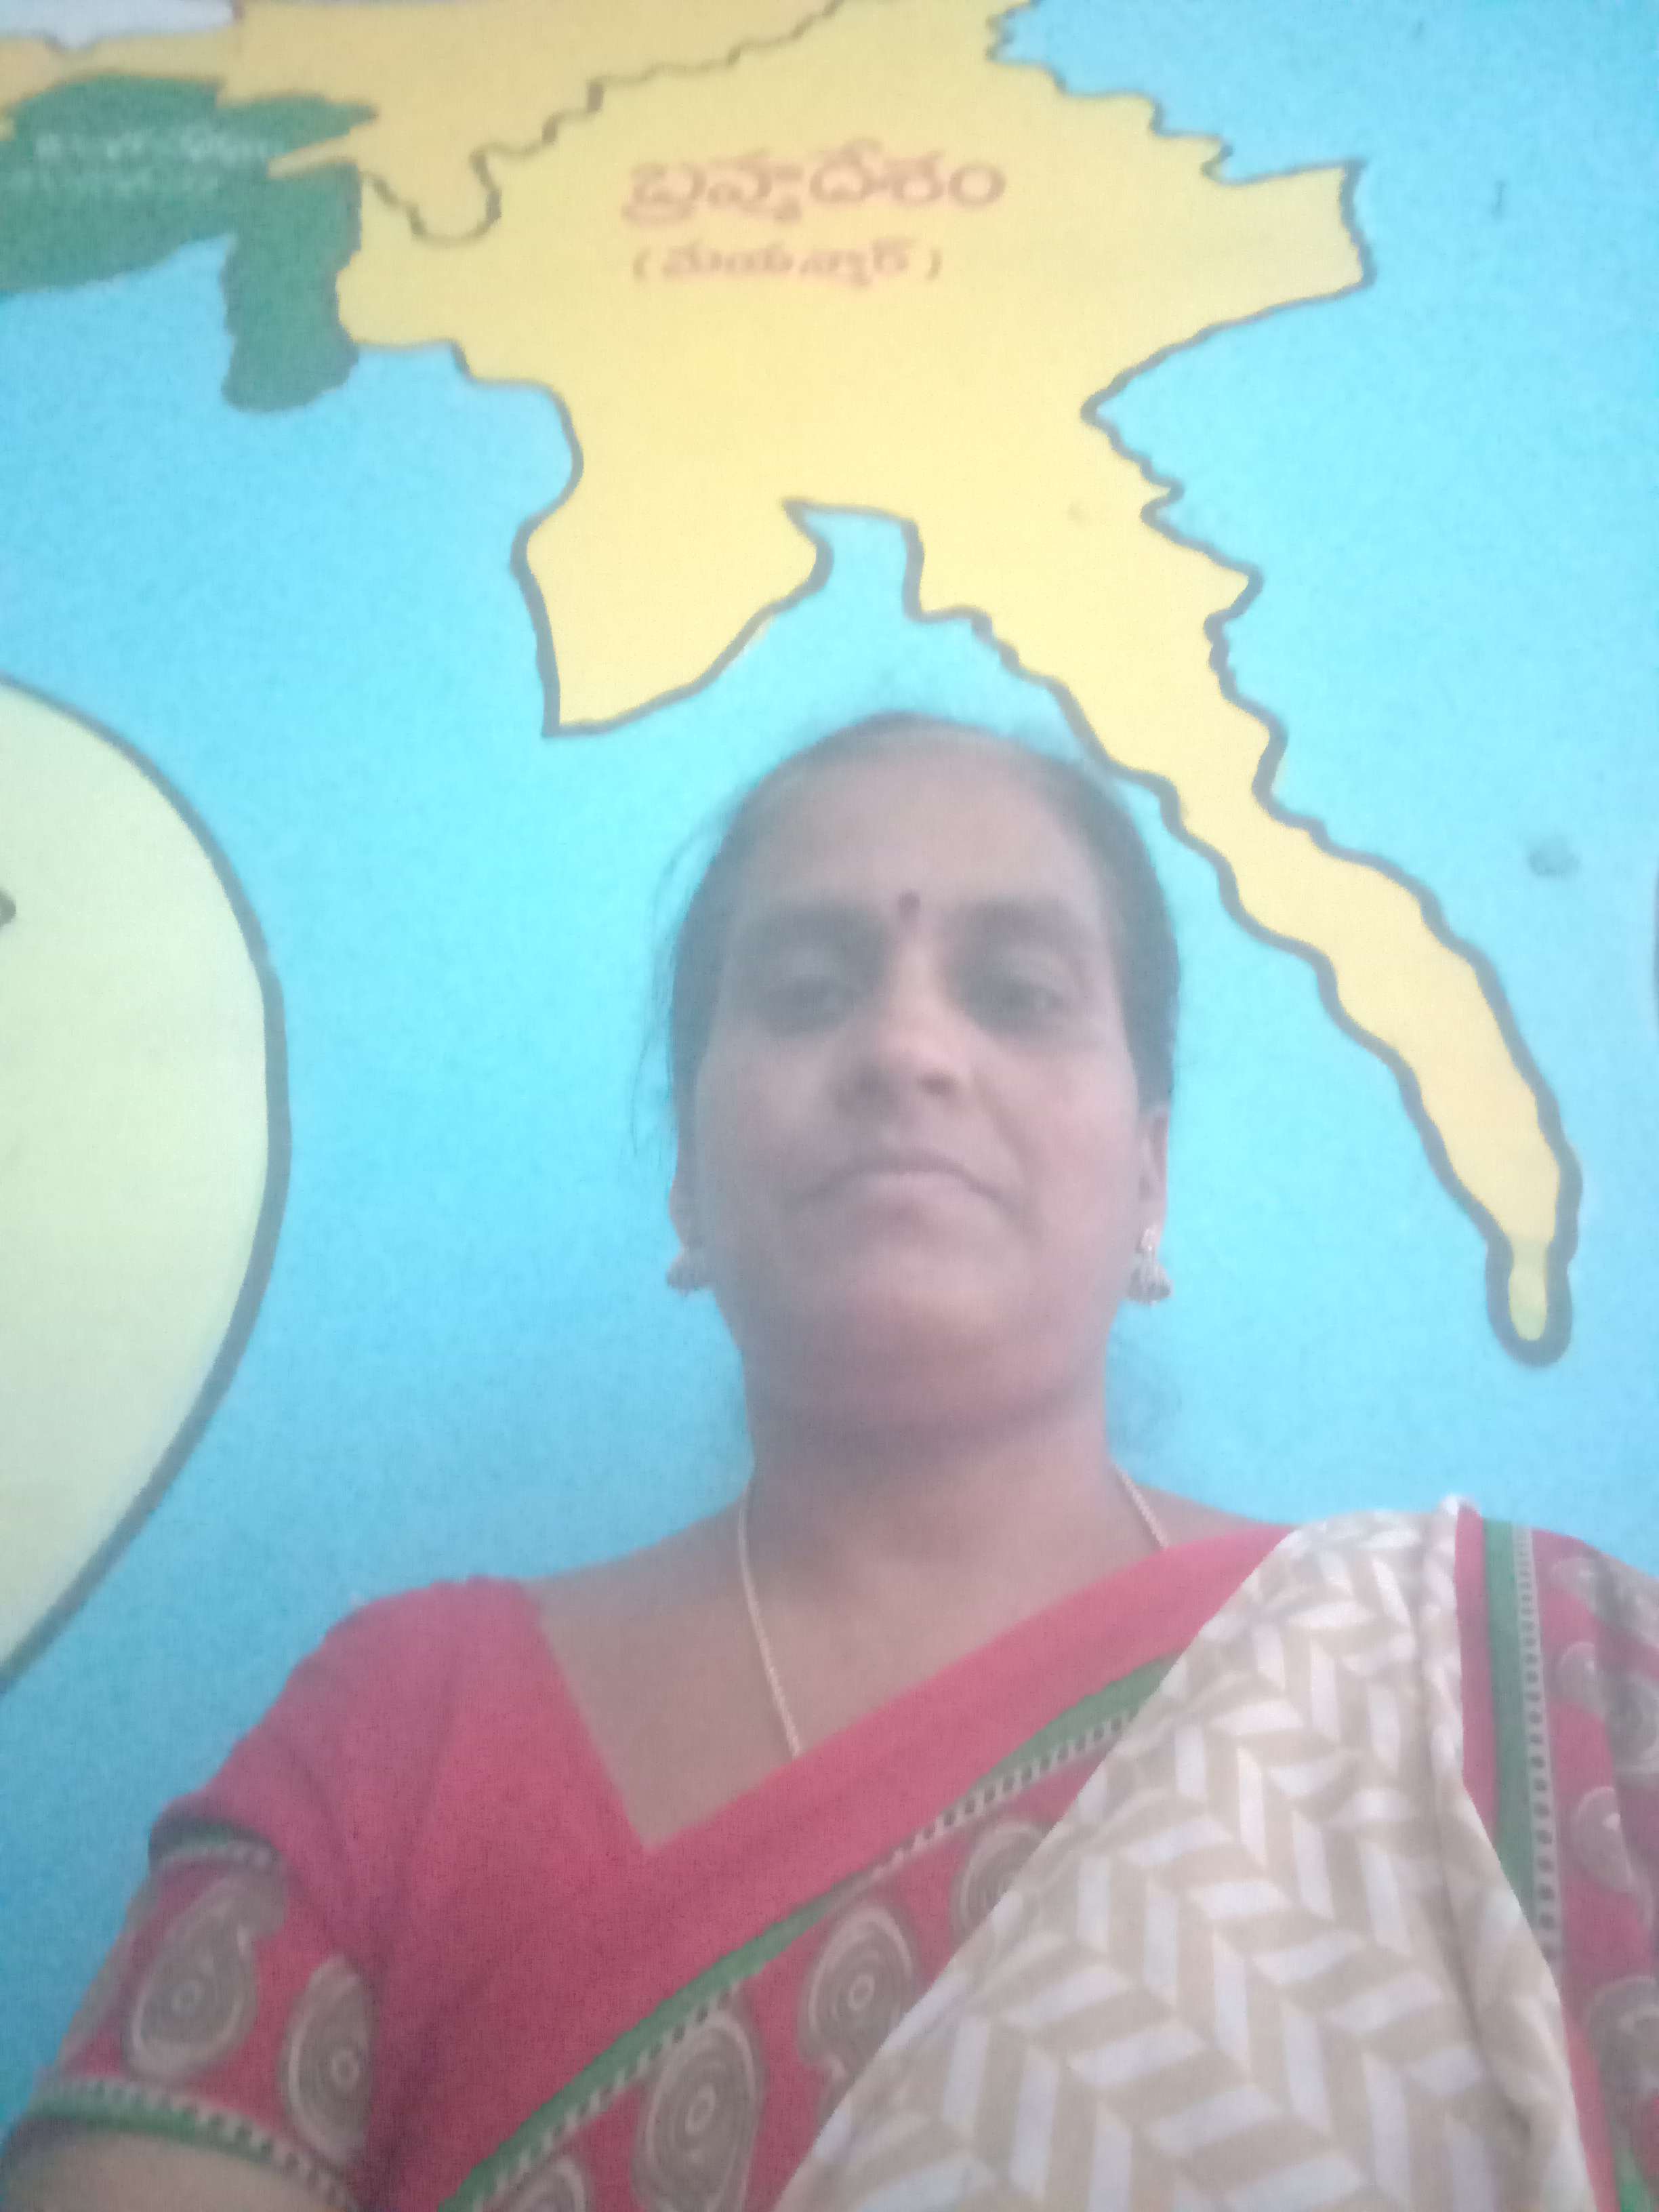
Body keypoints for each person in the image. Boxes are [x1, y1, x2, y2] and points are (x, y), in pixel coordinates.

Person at [3, 715, 1656, 2212]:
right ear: (686, 1183)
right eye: (807, 992)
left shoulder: (1492, 1675)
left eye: (1016, 994)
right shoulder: (400, 1735)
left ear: (1149, 1181)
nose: (907, 1050)